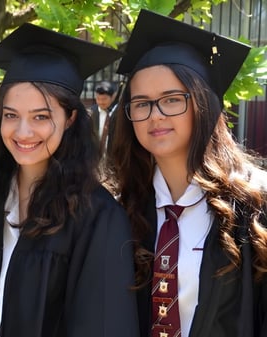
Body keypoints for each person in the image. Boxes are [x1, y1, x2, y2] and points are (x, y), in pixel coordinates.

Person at [0, 23, 139, 337]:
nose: (22, 132)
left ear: (69, 118)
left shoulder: (97, 218)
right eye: (11, 115)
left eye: (41, 117)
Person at [107, 9, 267, 337]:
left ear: (202, 103)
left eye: (172, 99)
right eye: (142, 103)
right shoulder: (121, 209)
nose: (156, 115)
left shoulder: (255, 206)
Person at [89, 80, 116, 157]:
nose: (100, 102)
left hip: (112, 156)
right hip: (94, 157)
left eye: (104, 99)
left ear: (113, 97)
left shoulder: (117, 113)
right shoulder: (91, 113)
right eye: (98, 99)